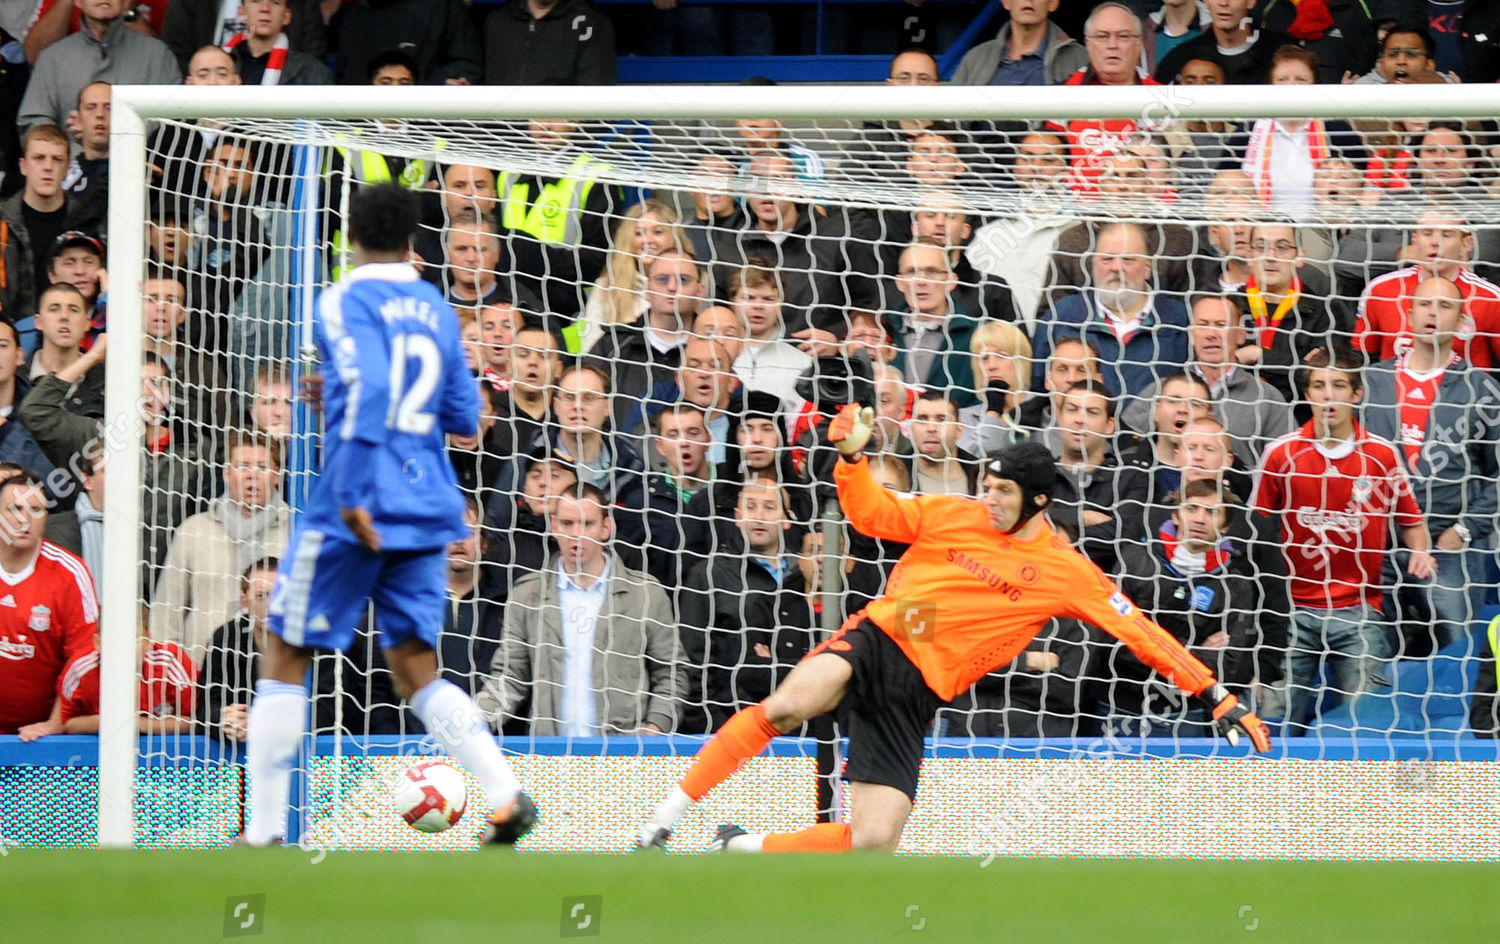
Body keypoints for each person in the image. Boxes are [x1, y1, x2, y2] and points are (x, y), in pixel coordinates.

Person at [639, 419, 1271, 853]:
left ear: (1039, 502)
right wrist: (853, 460)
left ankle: (739, 847)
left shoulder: (1066, 571)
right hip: (880, 639)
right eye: (985, 486)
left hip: (918, 696)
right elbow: (872, 513)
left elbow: (1143, 634)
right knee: (790, 703)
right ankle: (663, 818)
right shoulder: (952, 515)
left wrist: (1215, 694)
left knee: (872, 843)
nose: (986, 498)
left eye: (1001, 491)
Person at [242, 184, 534, 847]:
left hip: (357, 501)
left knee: (286, 650)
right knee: (414, 666)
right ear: (414, 243)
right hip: (425, 505)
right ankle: (503, 793)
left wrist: (349, 494)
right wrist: (342, 392)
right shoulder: (434, 305)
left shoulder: (343, 297)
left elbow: (374, 385)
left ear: (350, 236)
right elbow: (463, 416)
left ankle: (260, 836)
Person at [1249, 347, 1436, 734]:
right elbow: (1256, 530)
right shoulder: (1280, 454)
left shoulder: (1381, 456)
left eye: (1338, 385)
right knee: (1275, 725)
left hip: (1359, 609)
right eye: (1319, 386)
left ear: (1356, 394)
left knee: (1364, 730)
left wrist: (1421, 552)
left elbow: (1412, 523)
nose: (1328, 395)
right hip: (1290, 611)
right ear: (1307, 394)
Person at [1360, 277, 1500, 650]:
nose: (1433, 313)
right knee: (1369, 651)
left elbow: (1497, 473)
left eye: (1445, 306)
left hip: (1448, 545)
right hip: (1379, 544)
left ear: (1461, 321)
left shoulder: (1481, 389)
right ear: (1409, 313)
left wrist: (1465, 530)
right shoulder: (1371, 382)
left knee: (1458, 650)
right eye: (1424, 305)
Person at [481, 486, 681, 736]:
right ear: (554, 526)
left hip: (625, 759)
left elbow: (672, 672)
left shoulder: (645, 594)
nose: (576, 534)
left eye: (587, 524)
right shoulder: (526, 596)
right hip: (549, 760)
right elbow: (510, 677)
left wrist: (653, 730)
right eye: (567, 523)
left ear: (605, 528)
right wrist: (473, 722)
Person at [680, 476, 816, 733]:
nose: (759, 516)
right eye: (751, 507)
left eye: (769, 506)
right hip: (731, 727)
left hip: (801, 727)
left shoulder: (805, 577)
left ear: (786, 520)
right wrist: (715, 725)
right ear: (737, 516)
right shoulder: (709, 575)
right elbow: (695, 659)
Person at [149, 429, 290, 662]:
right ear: (226, 474)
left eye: (262, 468)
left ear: (277, 476)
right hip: (199, 677)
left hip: (275, 676)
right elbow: (167, 615)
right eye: (243, 466)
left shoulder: (295, 534)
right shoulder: (194, 531)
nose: (251, 476)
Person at [1122, 294, 1292, 470]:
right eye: (1203, 325)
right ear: (1191, 335)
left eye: (1221, 325)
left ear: (1241, 335)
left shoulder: (1266, 398)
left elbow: (1286, 463)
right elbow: (1121, 444)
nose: (1211, 334)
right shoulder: (1160, 390)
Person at [1030, 221, 1191, 397]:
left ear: (1147, 268)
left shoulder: (1180, 322)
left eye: (1128, 259)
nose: (1116, 268)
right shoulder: (1061, 317)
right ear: (1093, 266)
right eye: (1107, 259)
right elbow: (1037, 389)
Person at [0, 472, 98, 739]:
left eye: (35, 509)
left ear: (46, 518)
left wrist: (56, 724)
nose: (24, 519)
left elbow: (84, 658)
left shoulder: (70, 573)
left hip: (41, 734)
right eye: (14, 509)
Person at [1353, 207, 1500, 370]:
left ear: (1466, 244)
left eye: (1446, 234)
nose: (1435, 242)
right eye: (1427, 233)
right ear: (1415, 241)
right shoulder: (1380, 290)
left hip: (1466, 393)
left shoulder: (1490, 297)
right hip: (1394, 392)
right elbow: (1361, 355)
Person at [17, 0, 179, 137]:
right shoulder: (52, 57)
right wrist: (63, 151)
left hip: (140, 167)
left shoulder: (157, 54)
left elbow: (172, 120)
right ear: (78, 2)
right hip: (69, 168)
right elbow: (34, 121)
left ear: (125, 3)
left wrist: (123, 139)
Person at [0, 124, 101, 320]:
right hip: (8, 336)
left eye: (57, 160)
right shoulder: (2, 219)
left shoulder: (87, 221)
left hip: (72, 331)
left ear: (68, 169)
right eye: (39, 158)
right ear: (23, 166)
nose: (48, 167)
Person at [1048, 381, 1150, 572]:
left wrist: (1061, 534)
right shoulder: (1038, 472)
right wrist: (1081, 517)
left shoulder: (1130, 477)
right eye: (1072, 410)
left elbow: (1125, 534)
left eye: (1092, 412)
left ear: (1110, 425)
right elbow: (1022, 521)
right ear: (1059, 417)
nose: (1080, 419)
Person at [888, 242, 982, 408]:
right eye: (912, 272)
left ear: (952, 281)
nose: (921, 281)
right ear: (899, 282)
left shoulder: (978, 337)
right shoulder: (880, 332)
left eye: (931, 272)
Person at [197, 557, 278, 744]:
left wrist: (261, 724)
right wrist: (225, 721)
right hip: (238, 762)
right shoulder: (225, 638)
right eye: (262, 596)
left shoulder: (317, 640)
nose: (272, 604)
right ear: (245, 603)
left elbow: (328, 711)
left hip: (309, 759)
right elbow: (207, 708)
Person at [326, 0, 482, 86]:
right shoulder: (351, 15)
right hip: (361, 127)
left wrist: (431, 85)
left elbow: (467, 65)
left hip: (426, 126)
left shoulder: (443, 7)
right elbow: (346, 74)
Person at [950, 0, 1088, 86]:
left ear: (1053, 3)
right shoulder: (975, 58)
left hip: (1049, 134)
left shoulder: (1080, 59)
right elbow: (949, 116)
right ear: (1005, 2)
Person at [162, 0, 325, 72]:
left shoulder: (302, 3)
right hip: (206, 101)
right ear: (242, 11)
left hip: (284, 104)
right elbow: (176, 56)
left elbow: (313, 54)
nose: (265, 8)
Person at [1155, 0, 1292, 85]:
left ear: (1251, 1)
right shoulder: (1179, 59)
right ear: (1205, 1)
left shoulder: (1284, 54)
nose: (1224, 3)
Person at [482, 0, 617, 85]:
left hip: (561, 129)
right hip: (498, 129)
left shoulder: (591, 24)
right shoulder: (497, 21)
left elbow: (596, 95)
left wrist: (569, 122)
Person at [222, 0, 332, 86]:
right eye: (256, 1)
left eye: (275, 2)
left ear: (286, 16)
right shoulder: (216, 63)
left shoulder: (312, 72)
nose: (265, 8)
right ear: (242, 13)